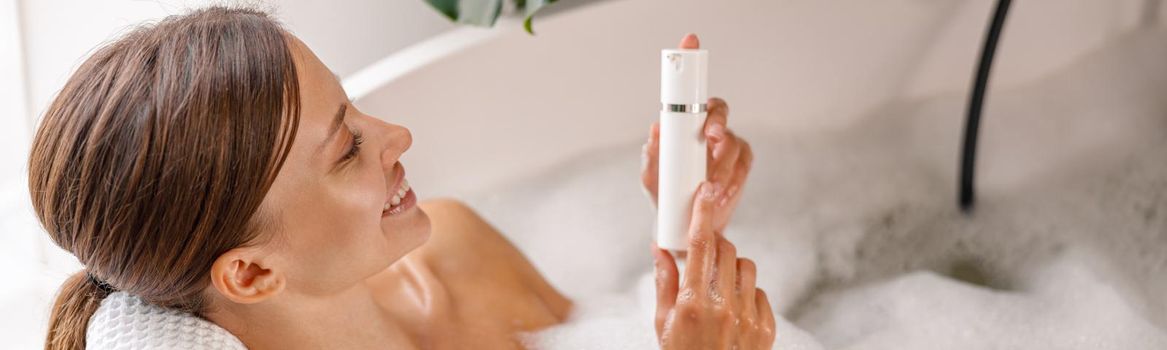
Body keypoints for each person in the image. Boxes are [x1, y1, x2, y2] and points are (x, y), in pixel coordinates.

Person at [29, 6, 773, 350]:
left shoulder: (456, 249)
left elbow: (626, 335)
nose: (398, 136)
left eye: (354, 109)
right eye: (347, 149)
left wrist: (683, 233)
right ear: (252, 272)